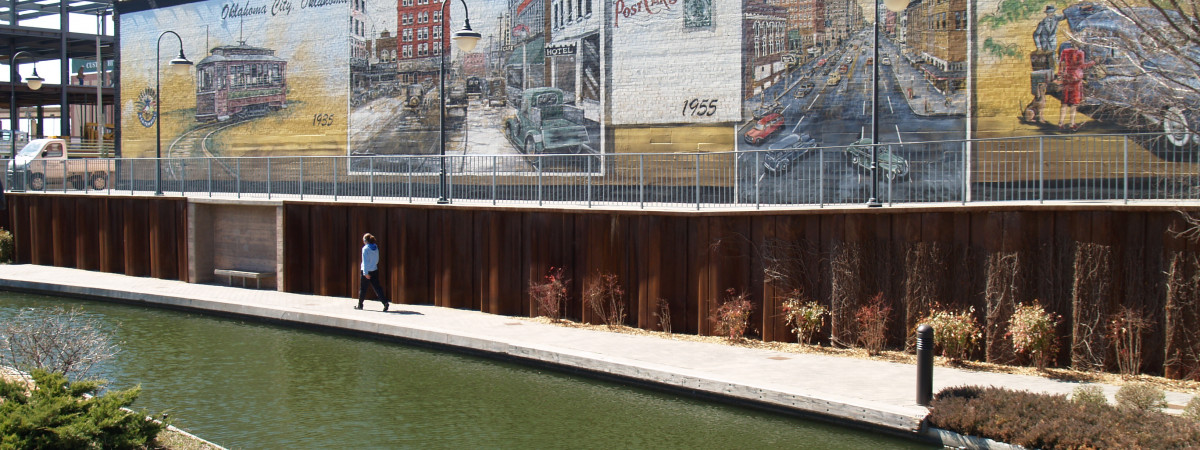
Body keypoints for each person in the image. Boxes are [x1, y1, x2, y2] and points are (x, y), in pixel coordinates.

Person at [1057, 47, 1096, 131]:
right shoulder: (1080, 52)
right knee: (1074, 104)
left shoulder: (1065, 51)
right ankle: (1071, 123)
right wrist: (1093, 62)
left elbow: (1061, 63)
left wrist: (1060, 75)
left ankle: (1061, 122)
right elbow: (1081, 65)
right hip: (1076, 79)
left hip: (1067, 77)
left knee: (1064, 102)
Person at [357, 233, 390, 311]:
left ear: (365, 240)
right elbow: (377, 259)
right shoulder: (375, 247)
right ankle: (385, 303)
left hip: (366, 271)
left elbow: (364, 261)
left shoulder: (365, 249)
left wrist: (365, 273)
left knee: (363, 289)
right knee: (377, 288)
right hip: (374, 270)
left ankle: (360, 305)